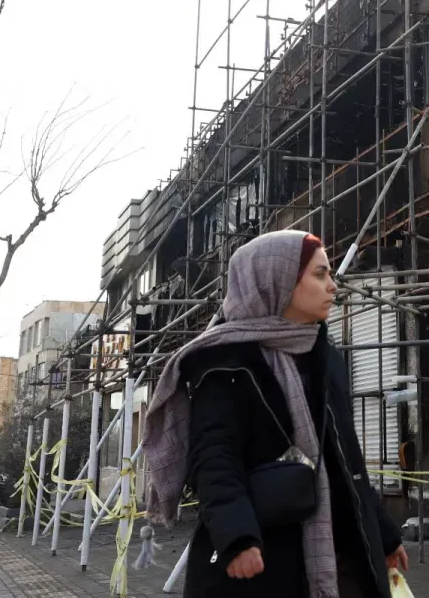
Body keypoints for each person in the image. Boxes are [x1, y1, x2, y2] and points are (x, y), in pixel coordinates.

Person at [141, 230, 408, 598]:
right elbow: (216, 459)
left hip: (340, 554)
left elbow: (345, 459)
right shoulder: (225, 361)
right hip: (263, 557)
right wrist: (236, 537)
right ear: (276, 282)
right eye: (319, 274)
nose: (332, 286)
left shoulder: (325, 355)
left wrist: (384, 535)